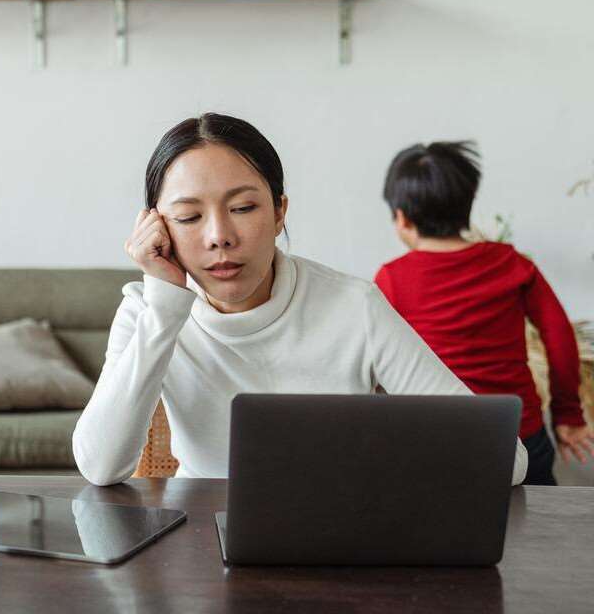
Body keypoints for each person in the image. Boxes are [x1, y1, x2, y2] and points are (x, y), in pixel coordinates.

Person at [72, 114, 527, 486]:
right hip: (199, 536)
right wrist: (165, 307)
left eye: (243, 208)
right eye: (189, 217)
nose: (219, 237)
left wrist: (381, 467)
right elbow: (100, 467)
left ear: (279, 212)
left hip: (336, 531)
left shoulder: (354, 307)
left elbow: (506, 459)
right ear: (157, 228)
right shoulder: (147, 310)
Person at [375, 140, 594, 485]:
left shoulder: (392, 279)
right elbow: (559, 336)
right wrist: (568, 414)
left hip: (440, 439)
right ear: (468, 204)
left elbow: (378, 362)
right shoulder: (512, 263)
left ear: (401, 218)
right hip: (520, 435)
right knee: (536, 518)